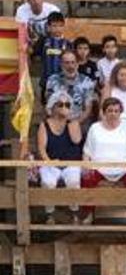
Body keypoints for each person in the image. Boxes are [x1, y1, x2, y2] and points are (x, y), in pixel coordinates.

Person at [81, 98, 126, 224]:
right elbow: (86, 152)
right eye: (110, 111)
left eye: (116, 111)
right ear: (104, 112)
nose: (113, 114)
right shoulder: (95, 128)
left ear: (120, 112)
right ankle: (89, 214)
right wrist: (85, 167)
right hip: (99, 168)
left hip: (123, 168)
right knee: (86, 179)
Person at [37, 91, 83, 224]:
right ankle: (49, 214)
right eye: (61, 104)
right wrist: (49, 162)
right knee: (48, 182)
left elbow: (76, 140)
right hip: (51, 161)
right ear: (53, 106)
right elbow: (41, 148)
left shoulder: (73, 123)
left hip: (71, 162)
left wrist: (71, 121)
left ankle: (74, 213)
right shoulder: (44, 125)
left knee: (73, 181)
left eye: (68, 105)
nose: (64, 107)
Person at [46, 49, 96, 124]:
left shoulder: (87, 81)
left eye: (73, 62)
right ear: (61, 64)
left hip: (79, 122)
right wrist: (59, 124)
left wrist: (75, 124)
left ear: (77, 64)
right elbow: (49, 107)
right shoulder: (52, 80)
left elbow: (87, 109)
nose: (70, 66)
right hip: (57, 122)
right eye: (67, 63)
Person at [38, 12, 70, 101]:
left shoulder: (68, 44)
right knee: (47, 107)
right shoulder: (43, 41)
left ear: (64, 26)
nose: (57, 29)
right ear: (48, 27)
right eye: (54, 26)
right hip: (46, 81)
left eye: (60, 26)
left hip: (63, 82)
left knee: (61, 105)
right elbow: (33, 52)